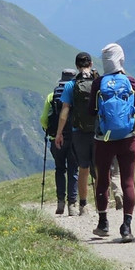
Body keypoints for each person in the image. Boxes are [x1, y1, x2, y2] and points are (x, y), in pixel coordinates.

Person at [54, 51, 121, 215]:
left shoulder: (71, 85)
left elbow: (64, 111)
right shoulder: (99, 82)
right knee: (99, 169)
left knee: (83, 168)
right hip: (99, 131)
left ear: (77, 66)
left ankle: (83, 205)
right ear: (91, 64)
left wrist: (59, 133)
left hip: (79, 132)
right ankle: (101, 205)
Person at [89, 43, 135, 242]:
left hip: (103, 139)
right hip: (128, 138)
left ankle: (103, 223)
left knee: (103, 180)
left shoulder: (98, 83)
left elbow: (91, 111)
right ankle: (127, 227)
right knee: (127, 181)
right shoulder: (130, 81)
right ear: (121, 58)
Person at [40, 68, 78, 215]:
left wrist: (49, 131)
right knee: (73, 170)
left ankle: (60, 202)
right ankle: (72, 205)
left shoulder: (52, 96)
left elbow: (44, 119)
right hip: (74, 137)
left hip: (56, 138)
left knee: (60, 169)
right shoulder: (76, 95)